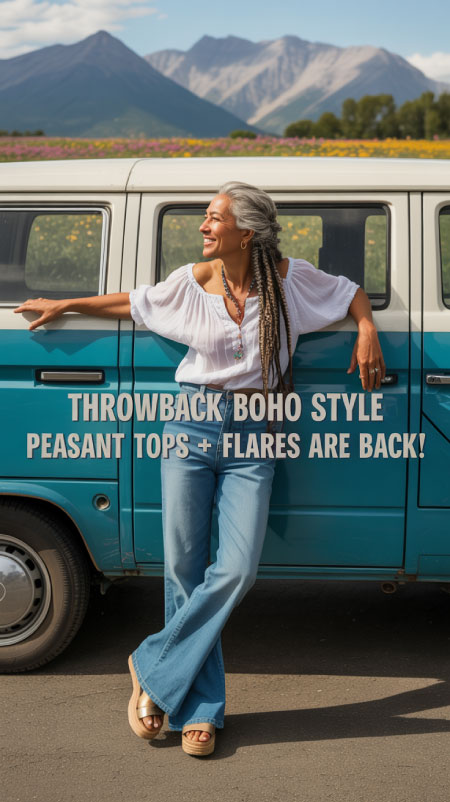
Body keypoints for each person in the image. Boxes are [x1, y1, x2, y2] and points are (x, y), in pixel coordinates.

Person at [14, 181, 385, 757]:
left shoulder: (292, 280)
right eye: (206, 218)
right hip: (191, 423)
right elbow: (134, 301)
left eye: (214, 219)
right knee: (184, 569)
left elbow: (352, 291)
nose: (204, 227)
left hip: (257, 433)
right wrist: (67, 304)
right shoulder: (194, 281)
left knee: (236, 569)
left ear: (248, 232)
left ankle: (152, 664)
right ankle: (200, 711)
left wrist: (366, 328)